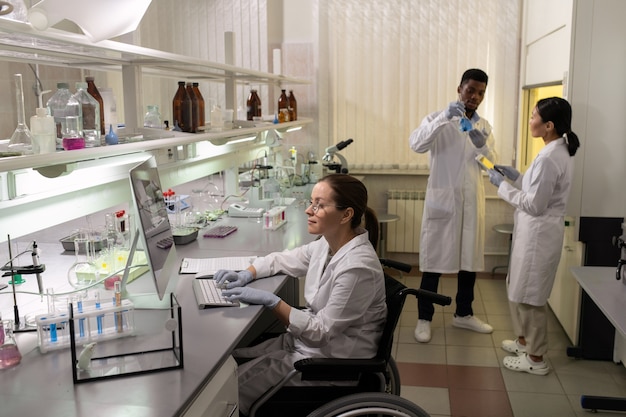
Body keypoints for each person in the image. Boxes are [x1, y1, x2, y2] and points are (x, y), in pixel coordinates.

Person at [214, 174, 386, 416]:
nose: (308, 210)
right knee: (234, 362)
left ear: (346, 215)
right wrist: (246, 273)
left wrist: (273, 302)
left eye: (319, 205)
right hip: (308, 347)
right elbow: (281, 260)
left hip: (330, 364)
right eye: (311, 202)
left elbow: (321, 332)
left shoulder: (357, 267)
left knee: (230, 393)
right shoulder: (327, 244)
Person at [488, 97, 580, 375]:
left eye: (533, 116)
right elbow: (537, 190)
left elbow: (535, 204)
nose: (530, 121)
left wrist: (502, 187)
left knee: (530, 296)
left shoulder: (552, 157)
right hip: (534, 232)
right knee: (517, 285)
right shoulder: (555, 149)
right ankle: (524, 341)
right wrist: (518, 178)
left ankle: (536, 359)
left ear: (548, 125)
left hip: (539, 234)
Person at [408, 68, 496, 343]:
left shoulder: (485, 127)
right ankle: (424, 318)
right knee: (433, 261)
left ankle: (464, 314)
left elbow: (491, 165)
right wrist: (445, 117)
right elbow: (417, 144)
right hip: (443, 203)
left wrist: (483, 147)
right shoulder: (437, 118)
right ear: (459, 88)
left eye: (480, 92)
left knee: (468, 261)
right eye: (470, 90)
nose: (474, 97)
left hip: (471, 204)